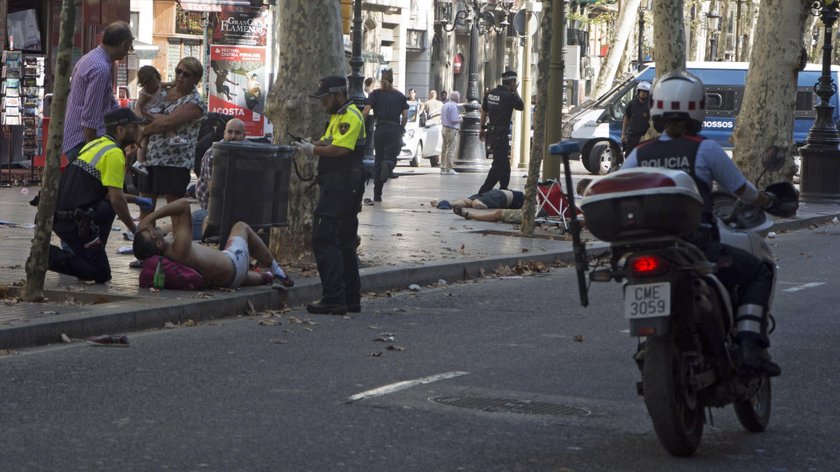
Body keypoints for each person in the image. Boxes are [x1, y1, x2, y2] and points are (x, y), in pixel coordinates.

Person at [622, 70, 780, 377]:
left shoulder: (640, 153)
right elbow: (742, 191)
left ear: (657, 110)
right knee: (758, 272)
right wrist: (768, 201)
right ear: (698, 109)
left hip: (648, 247)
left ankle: (646, 345)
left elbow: (618, 185)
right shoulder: (705, 148)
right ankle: (750, 346)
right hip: (698, 247)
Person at [48, 108, 152, 283]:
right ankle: (48, 256)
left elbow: (103, 191)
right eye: (134, 127)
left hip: (62, 218)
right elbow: (115, 199)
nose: (138, 131)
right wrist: (134, 230)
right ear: (120, 130)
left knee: (89, 265)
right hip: (75, 222)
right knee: (101, 273)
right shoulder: (114, 154)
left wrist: (136, 200)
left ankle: (90, 253)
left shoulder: (96, 144)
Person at [294, 75, 366, 315]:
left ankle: (334, 297)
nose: (322, 103)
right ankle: (349, 298)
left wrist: (312, 150)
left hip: (341, 185)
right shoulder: (338, 116)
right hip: (344, 185)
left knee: (325, 238)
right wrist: (312, 142)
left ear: (339, 95)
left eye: (325, 98)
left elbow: (342, 148)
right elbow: (330, 140)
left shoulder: (350, 116)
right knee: (344, 242)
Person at [132, 199, 294, 289]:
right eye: (152, 232)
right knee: (241, 226)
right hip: (234, 264)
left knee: (252, 275)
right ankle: (277, 270)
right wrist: (150, 217)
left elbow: (176, 214)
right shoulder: (179, 248)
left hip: (228, 279)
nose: (154, 228)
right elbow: (183, 205)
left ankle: (265, 277)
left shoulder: (170, 254)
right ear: (158, 243)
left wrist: (146, 228)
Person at [139, 57, 206, 219]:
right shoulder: (163, 90)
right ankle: (144, 242)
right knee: (145, 209)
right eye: (178, 71)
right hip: (150, 159)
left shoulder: (195, 102)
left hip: (175, 163)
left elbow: (166, 123)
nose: (180, 76)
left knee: (176, 212)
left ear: (196, 79)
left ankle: (179, 243)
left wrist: (143, 130)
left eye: (187, 74)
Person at [63, 21, 134, 162]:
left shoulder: (90, 58)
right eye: (129, 47)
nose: (128, 51)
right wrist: (94, 153)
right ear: (124, 44)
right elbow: (90, 116)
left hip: (77, 139)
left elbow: (109, 102)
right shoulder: (100, 68)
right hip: (83, 143)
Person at [194, 118, 246, 240]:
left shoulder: (249, 152)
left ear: (245, 136)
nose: (233, 136)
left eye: (238, 133)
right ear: (224, 134)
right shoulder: (213, 153)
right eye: (230, 132)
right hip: (212, 205)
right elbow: (215, 193)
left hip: (236, 202)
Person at [362, 68, 408, 203]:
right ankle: (389, 164)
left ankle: (377, 194)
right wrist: (401, 128)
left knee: (378, 161)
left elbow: (366, 110)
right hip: (395, 130)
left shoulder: (375, 94)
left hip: (381, 129)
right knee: (391, 157)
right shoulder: (400, 96)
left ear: (381, 81)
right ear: (392, 80)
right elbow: (405, 116)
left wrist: (360, 125)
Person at [479, 70, 524, 194]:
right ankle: (484, 190)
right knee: (498, 164)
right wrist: (515, 90)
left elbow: (484, 111)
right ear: (513, 83)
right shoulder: (510, 96)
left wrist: (481, 128)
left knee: (504, 162)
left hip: (491, 133)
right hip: (501, 134)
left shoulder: (491, 94)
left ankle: (504, 187)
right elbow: (521, 106)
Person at [133, 65, 173, 173]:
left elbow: (163, 84)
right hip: (148, 117)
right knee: (143, 141)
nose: (154, 86)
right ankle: (139, 163)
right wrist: (140, 118)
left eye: (155, 82)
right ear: (144, 85)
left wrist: (170, 84)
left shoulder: (159, 85)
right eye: (149, 85)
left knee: (167, 124)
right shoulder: (145, 93)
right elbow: (138, 106)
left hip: (158, 114)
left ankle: (174, 138)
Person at [621, 81, 652, 158]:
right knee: (629, 156)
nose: (643, 93)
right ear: (638, 91)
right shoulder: (632, 104)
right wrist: (623, 134)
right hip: (632, 136)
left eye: (645, 92)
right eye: (641, 91)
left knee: (644, 157)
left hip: (645, 137)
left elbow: (653, 123)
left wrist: (647, 136)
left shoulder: (651, 105)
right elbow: (626, 117)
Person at [440, 90, 462, 175]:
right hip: (451, 129)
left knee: (444, 149)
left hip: (444, 128)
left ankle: (443, 168)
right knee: (451, 149)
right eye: (459, 97)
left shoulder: (445, 105)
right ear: (456, 98)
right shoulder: (453, 106)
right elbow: (454, 120)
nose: (459, 98)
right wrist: (460, 120)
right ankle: (449, 168)